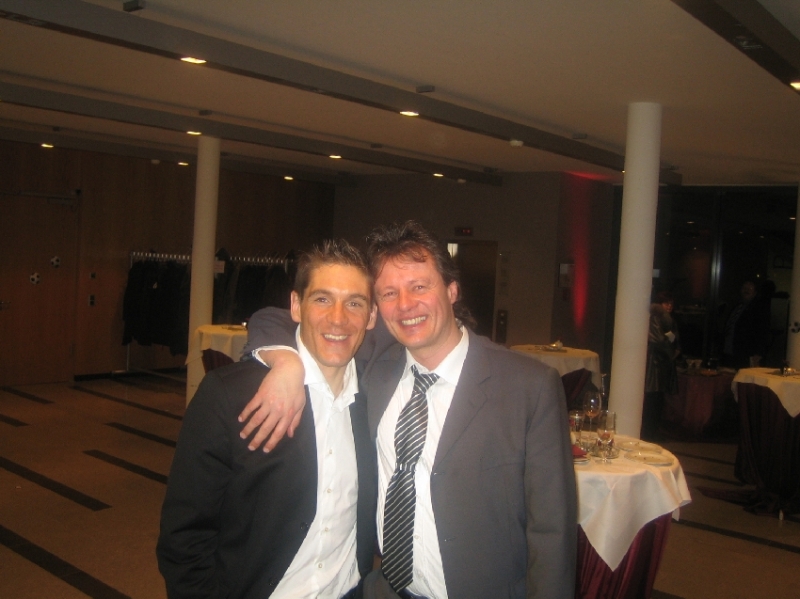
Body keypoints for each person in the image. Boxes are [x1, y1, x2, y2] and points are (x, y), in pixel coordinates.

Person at [240, 221, 577, 599]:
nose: (405, 305)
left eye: (419, 287)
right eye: (389, 293)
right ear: (376, 309)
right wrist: (287, 362)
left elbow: (552, 532)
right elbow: (273, 318)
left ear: (452, 290)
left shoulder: (528, 386)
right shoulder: (374, 364)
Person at [156, 239, 379, 599]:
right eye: (322, 299)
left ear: (371, 316)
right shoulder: (228, 396)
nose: (338, 318)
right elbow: (184, 537)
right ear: (295, 306)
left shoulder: (376, 402)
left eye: (354, 303)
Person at [643, 292, 679, 441]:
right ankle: (649, 433)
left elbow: (672, 338)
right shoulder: (656, 316)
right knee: (653, 399)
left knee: (657, 399)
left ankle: (652, 431)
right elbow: (658, 340)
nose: (669, 306)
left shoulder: (665, 318)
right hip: (654, 363)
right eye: (666, 303)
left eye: (671, 303)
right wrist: (671, 350)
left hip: (660, 362)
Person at [720, 280, 770, 369]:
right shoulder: (738, 306)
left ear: (755, 292)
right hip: (730, 350)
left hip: (745, 352)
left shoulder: (758, 308)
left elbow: (763, 331)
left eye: (749, 288)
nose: (746, 290)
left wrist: (759, 353)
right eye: (744, 288)